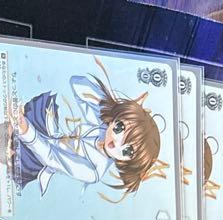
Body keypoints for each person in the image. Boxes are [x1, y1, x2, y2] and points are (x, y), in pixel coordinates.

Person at [10, 69, 167, 200]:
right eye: (120, 127)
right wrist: (116, 106)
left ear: (129, 162)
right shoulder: (102, 126)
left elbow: (51, 157)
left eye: (127, 151)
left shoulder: (94, 171)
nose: (117, 141)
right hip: (44, 130)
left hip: (36, 156)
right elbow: (77, 83)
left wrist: (26, 132)